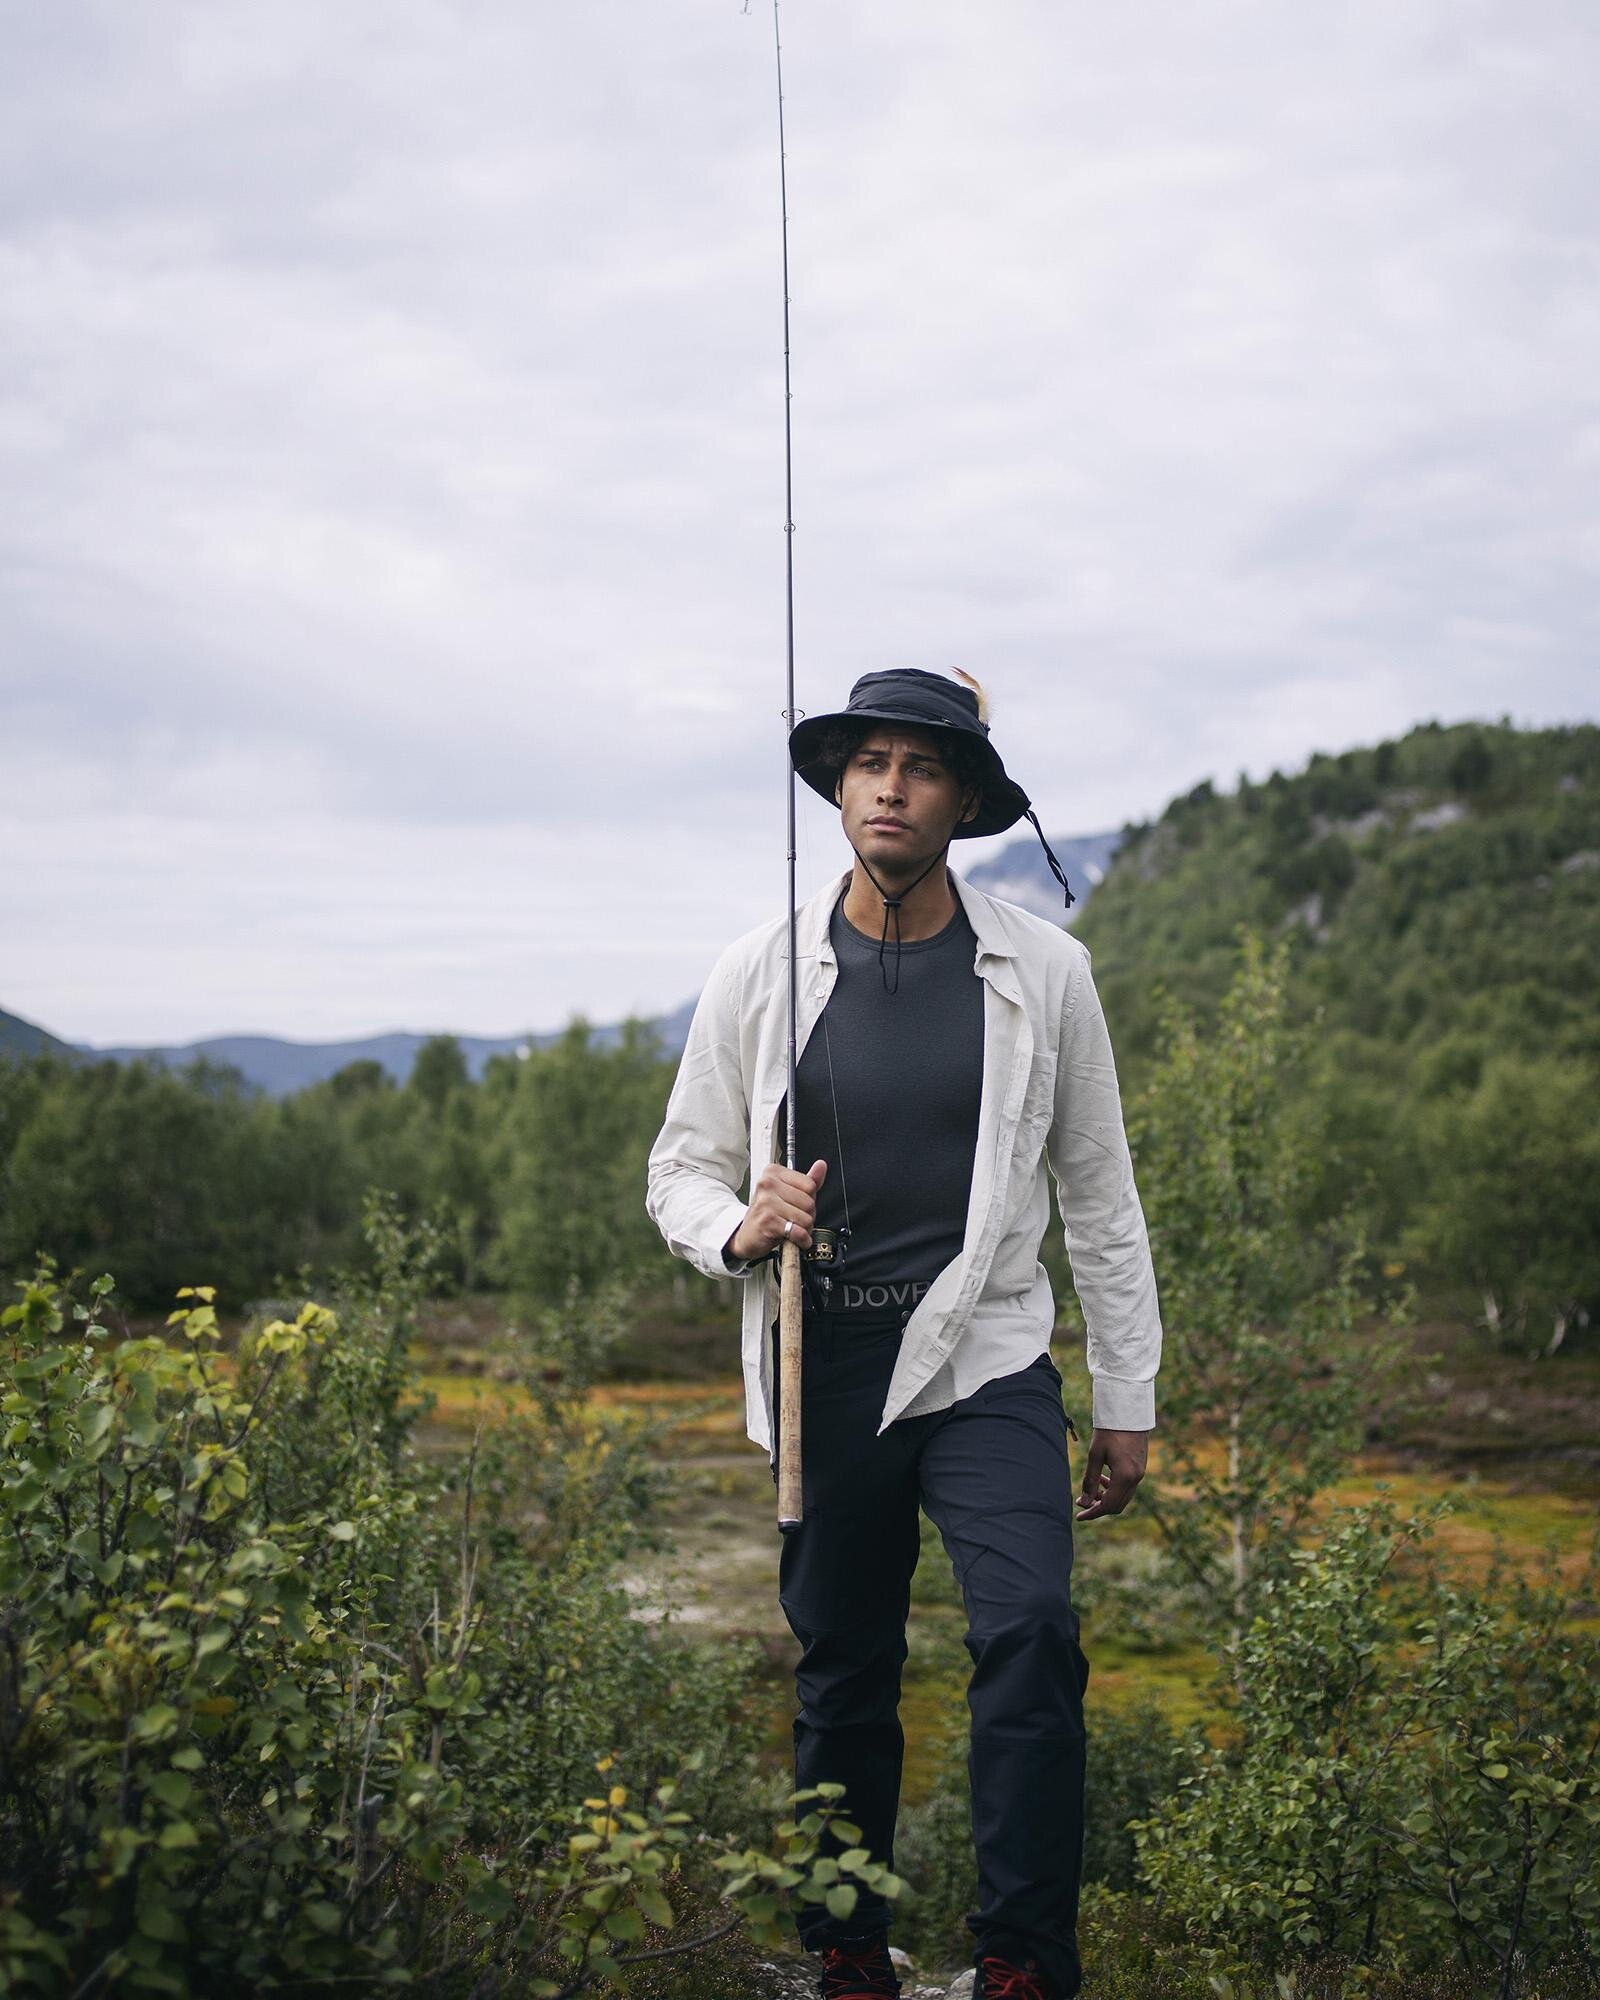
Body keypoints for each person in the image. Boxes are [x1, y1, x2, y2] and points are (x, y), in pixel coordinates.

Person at [646, 668, 1162, 2000]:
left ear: (965, 800)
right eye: (867, 761)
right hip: (823, 1370)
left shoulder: (1044, 974)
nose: (889, 785)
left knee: (1031, 1629)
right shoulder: (758, 970)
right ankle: (845, 1949)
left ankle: (1021, 1957)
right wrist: (744, 1223)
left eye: (920, 765)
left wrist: (1128, 1397)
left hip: (985, 1358)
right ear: (836, 789)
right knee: (845, 1669)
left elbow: (1101, 1197)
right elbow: (680, 1172)